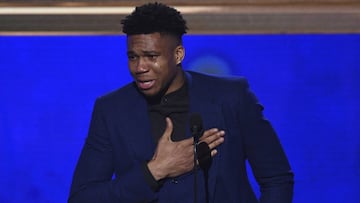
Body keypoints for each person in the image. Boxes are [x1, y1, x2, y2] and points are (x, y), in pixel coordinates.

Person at [68, 2, 294, 203]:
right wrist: (154, 171)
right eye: (133, 57)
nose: (140, 68)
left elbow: (277, 179)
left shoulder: (232, 97)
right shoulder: (112, 110)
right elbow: (82, 197)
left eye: (151, 56)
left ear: (178, 55)